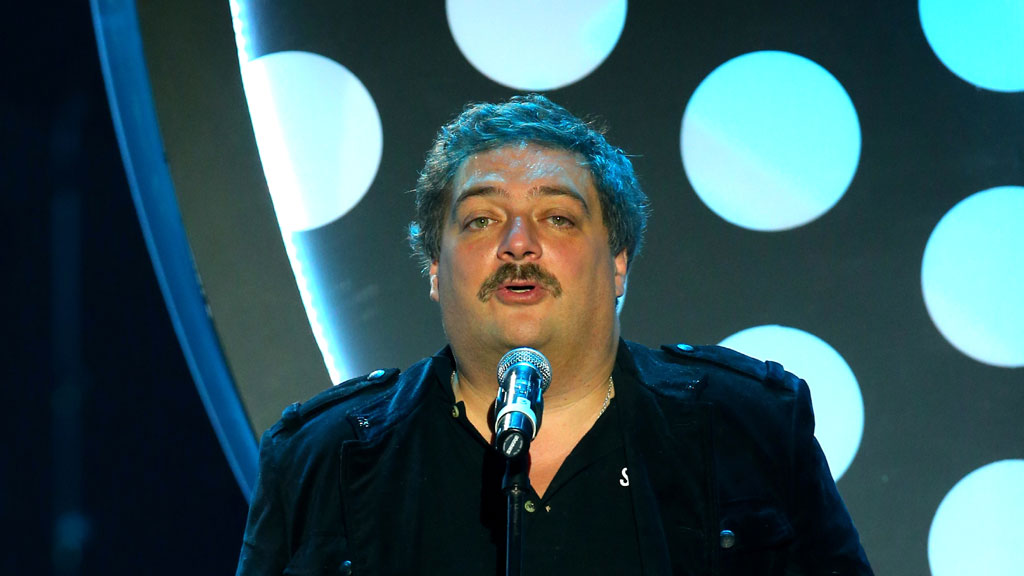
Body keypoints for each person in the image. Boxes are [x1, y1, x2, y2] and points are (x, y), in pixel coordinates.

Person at [235, 94, 873, 575]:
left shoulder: (750, 428)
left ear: (618, 262)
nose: (519, 244)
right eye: (482, 220)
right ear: (433, 267)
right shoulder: (318, 460)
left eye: (558, 218)